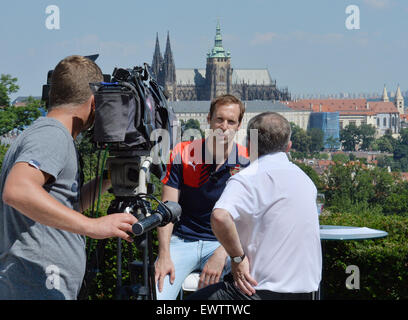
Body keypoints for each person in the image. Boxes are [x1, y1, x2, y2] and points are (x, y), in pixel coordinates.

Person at [0, 55, 138, 300]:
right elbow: (17, 191)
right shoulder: (52, 135)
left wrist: (108, 177)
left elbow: (66, 205)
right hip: (36, 288)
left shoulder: (45, 133)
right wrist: (93, 226)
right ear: (95, 103)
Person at [187, 112, 322, 300]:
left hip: (256, 291)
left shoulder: (248, 177)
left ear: (250, 145)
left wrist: (237, 258)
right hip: (307, 292)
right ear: (289, 146)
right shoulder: (306, 181)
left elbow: (220, 216)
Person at [154, 94, 249, 300]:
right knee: (158, 294)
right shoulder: (183, 153)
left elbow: (247, 219)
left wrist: (224, 252)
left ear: (239, 125)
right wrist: (164, 254)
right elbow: (167, 210)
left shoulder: (246, 161)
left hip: (222, 243)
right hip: (182, 241)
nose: (224, 126)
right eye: (219, 119)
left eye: (231, 121)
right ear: (209, 119)